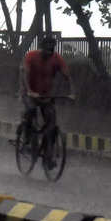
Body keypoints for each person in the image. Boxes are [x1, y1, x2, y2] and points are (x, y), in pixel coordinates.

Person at [20, 35, 75, 169]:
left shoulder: (57, 59)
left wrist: (72, 93)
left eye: (51, 50)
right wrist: (29, 91)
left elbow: (68, 77)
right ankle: (27, 140)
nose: (49, 52)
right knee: (31, 110)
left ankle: (48, 156)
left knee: (51, 123)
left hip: (46, 95)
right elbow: (24, 75)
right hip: (29, 93)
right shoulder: (31, 56)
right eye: (46, 49)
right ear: (41, 48)